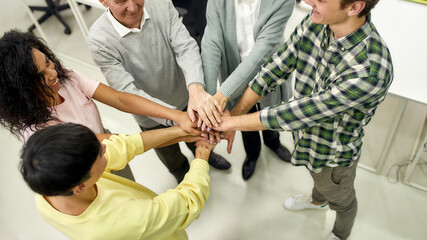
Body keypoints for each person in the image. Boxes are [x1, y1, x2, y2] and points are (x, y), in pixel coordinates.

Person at [215, 0, 392, 239]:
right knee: (318, 182)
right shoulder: (318, 20)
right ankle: (318, 201)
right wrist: (235, 114)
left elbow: (300, 112)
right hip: (305, 140)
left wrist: (228, 123)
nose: (309, 1)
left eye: (321, 0)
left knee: (342, 200)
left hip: (333, 156)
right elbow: (276, 67)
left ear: (354, 7)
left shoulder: (370, 69)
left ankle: (340, 233)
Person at [0, 29, 198, 181]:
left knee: (132, 187)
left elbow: (120, 99)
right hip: (89, 172)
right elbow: (122, 143)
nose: (52, 74)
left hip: (106, 146)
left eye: (48, 63)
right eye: (40, 77)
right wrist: (185, 131)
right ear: (21, 90)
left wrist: (176, 115)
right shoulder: (39, 130)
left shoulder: (65, 77)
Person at [87, 0, 231, 177]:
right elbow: (126, 91)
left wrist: (196, 89)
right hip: (150, 115)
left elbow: (185, 47)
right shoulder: (99, 40)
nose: (132, 8)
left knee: (199, 139)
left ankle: (206, 158)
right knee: (171, 156)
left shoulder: (160, 4)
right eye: (120, 1)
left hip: (186, 98)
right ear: (103, 1)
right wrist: (174, 117)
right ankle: (182, 175)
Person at [20, 123, 213, 240]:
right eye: (100, 155)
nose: (105, 147)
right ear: (80, 187)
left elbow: (124, 145)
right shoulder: (125, 219)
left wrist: (180, 131)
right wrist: (202, 156)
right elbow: (187, 203)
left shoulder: (48, 188)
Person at [201, 0, 295, 180]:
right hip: (236, 79)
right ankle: (253, 155)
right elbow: (212, 42)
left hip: (269, 77)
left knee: (269, 117)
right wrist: (210, 96)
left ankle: (273, 143)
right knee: (244, 123)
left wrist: (223, 94)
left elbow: (263, 51)